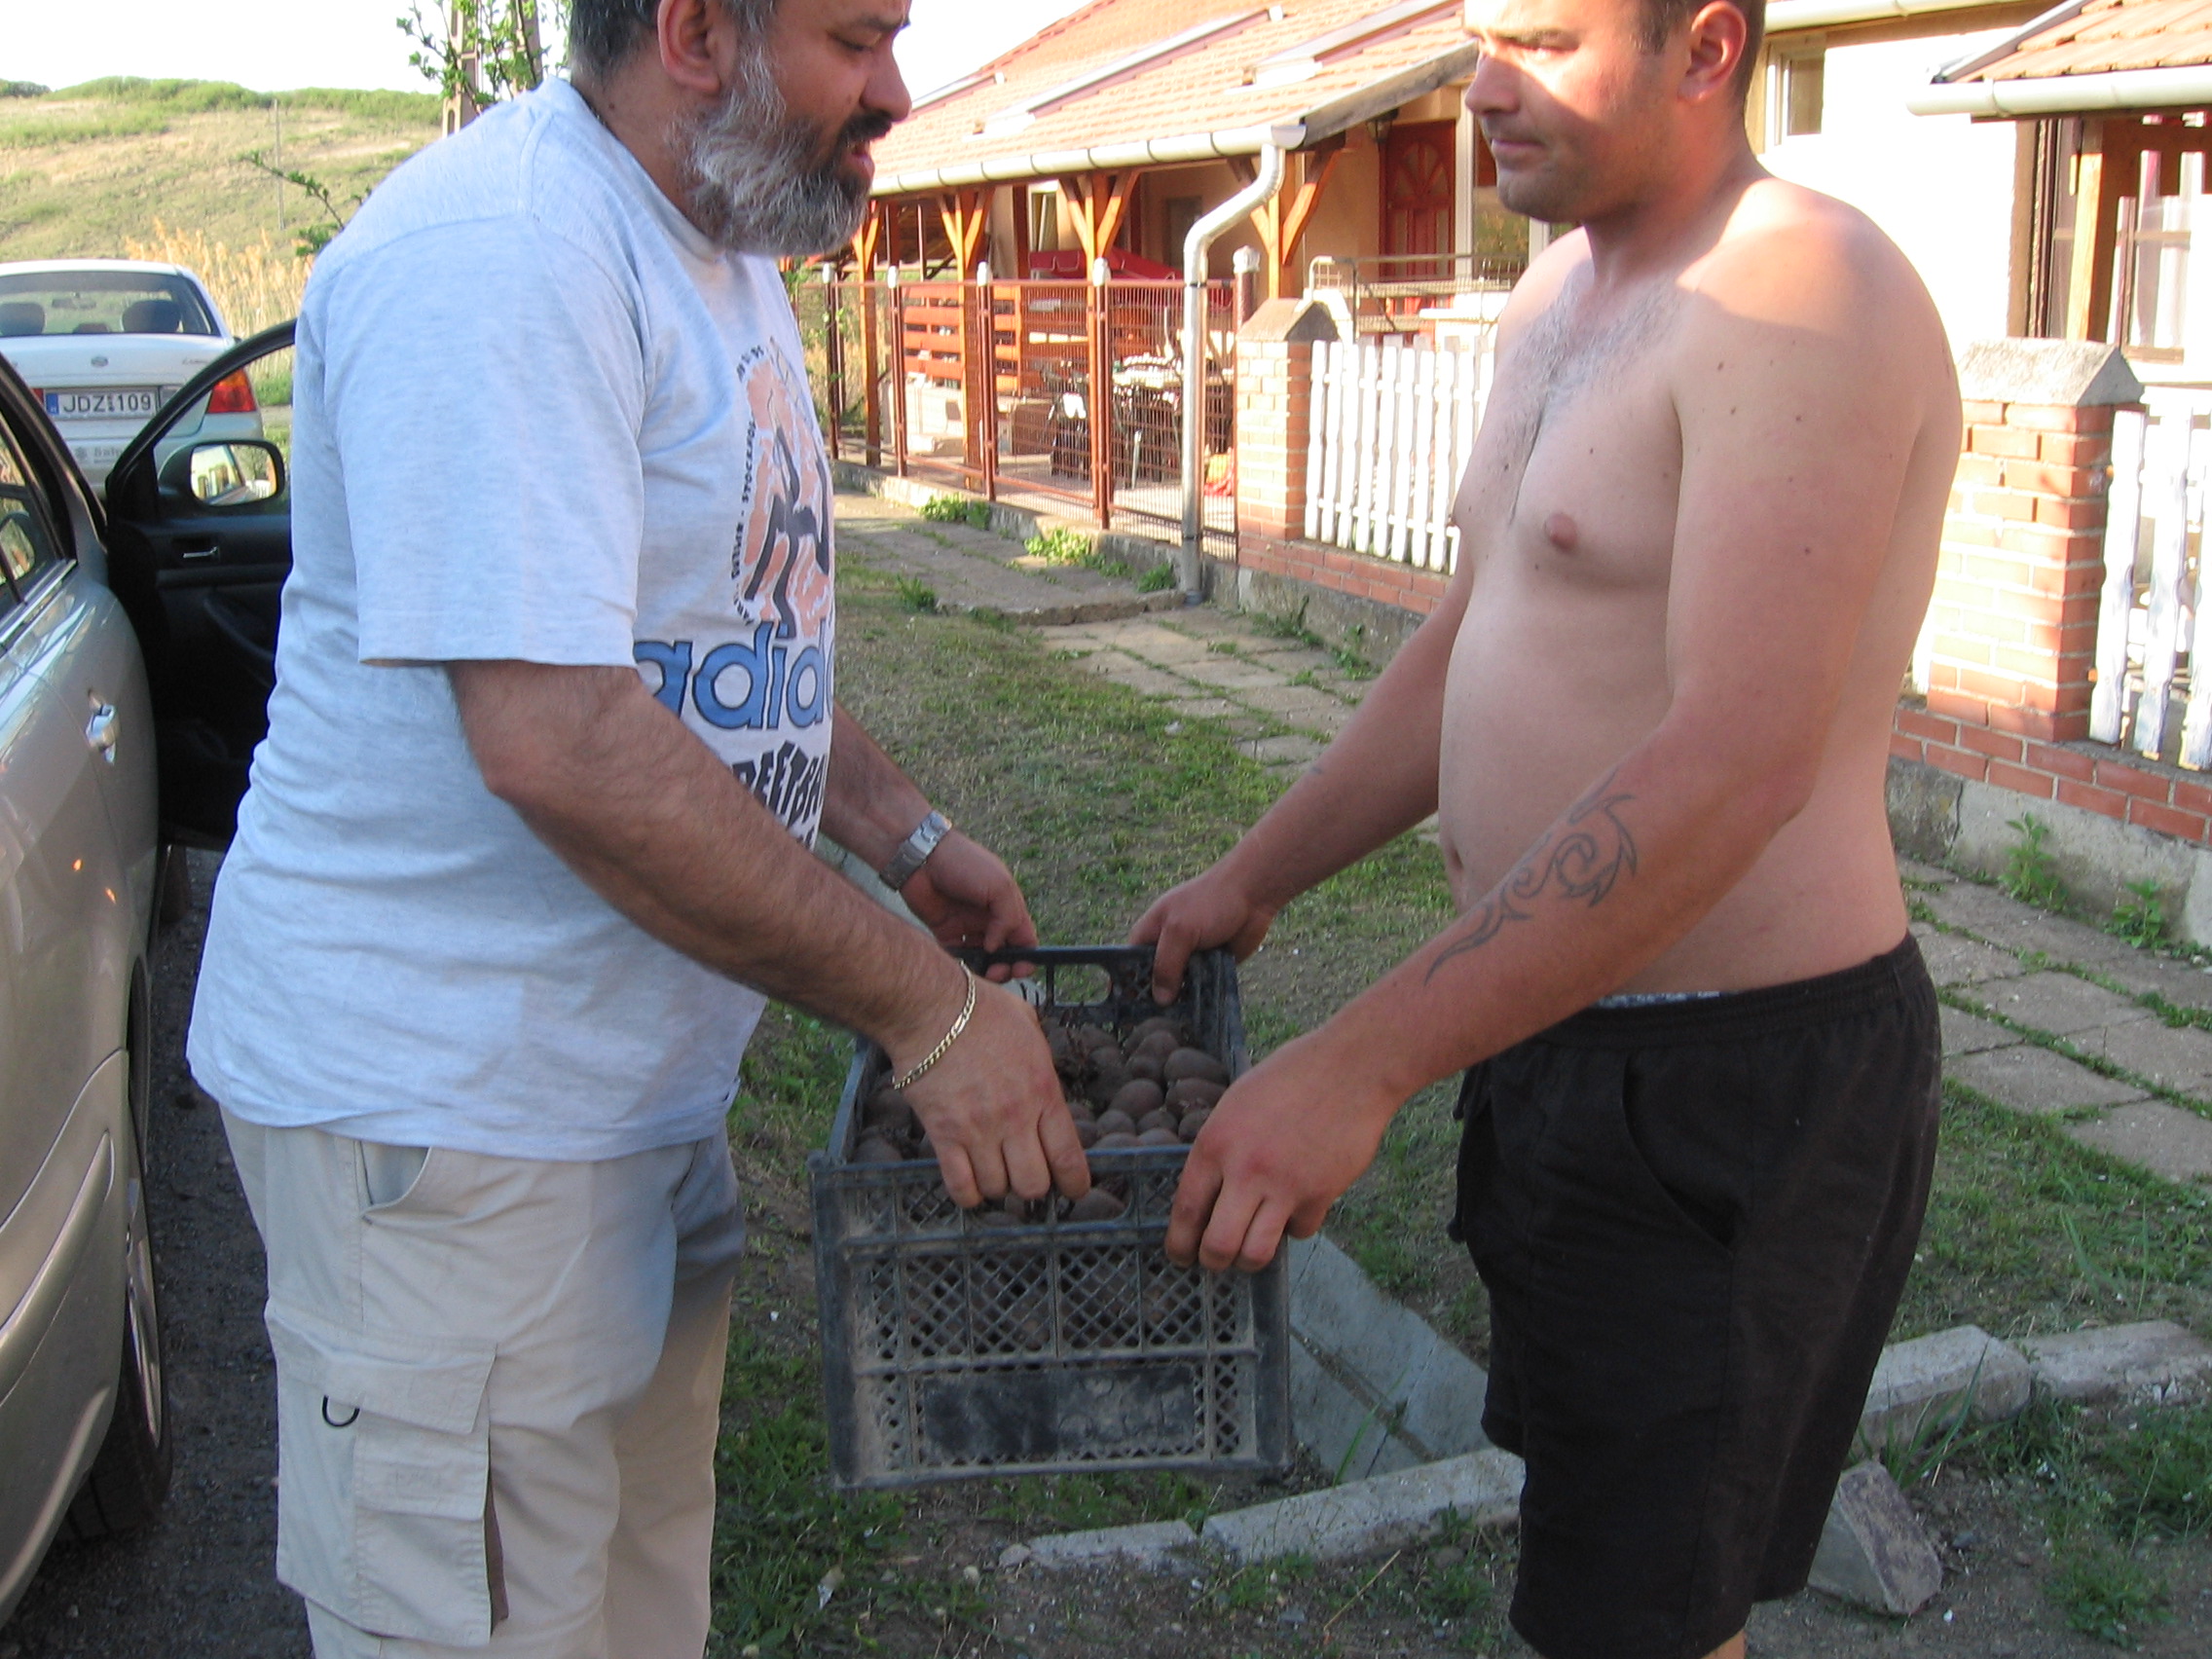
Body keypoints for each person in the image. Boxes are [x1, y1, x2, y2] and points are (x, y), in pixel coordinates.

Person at [187, 3, 1087, 1655]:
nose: (897, 88)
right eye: (856, 38)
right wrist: (930, 1010)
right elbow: (561, 742)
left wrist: (900, 833)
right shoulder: (506, 257)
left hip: (628, 1101)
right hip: (451, 1122)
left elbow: (693, 642)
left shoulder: (715, 245)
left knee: (631, 1611)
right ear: (691, 34)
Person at [1133, 0, 1959, 1653]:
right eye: (1478, 40)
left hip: (1728, 1092)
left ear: (1704, 51)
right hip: (1557, 1035)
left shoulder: (1807, 291)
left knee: (1642, 1617)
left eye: (1544, 40)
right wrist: (1255, 876)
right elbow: (1476, 634)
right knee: (1617, 1572)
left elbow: (1736, 763)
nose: (1484, 88)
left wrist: (1361, 1063)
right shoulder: (1556, 295)